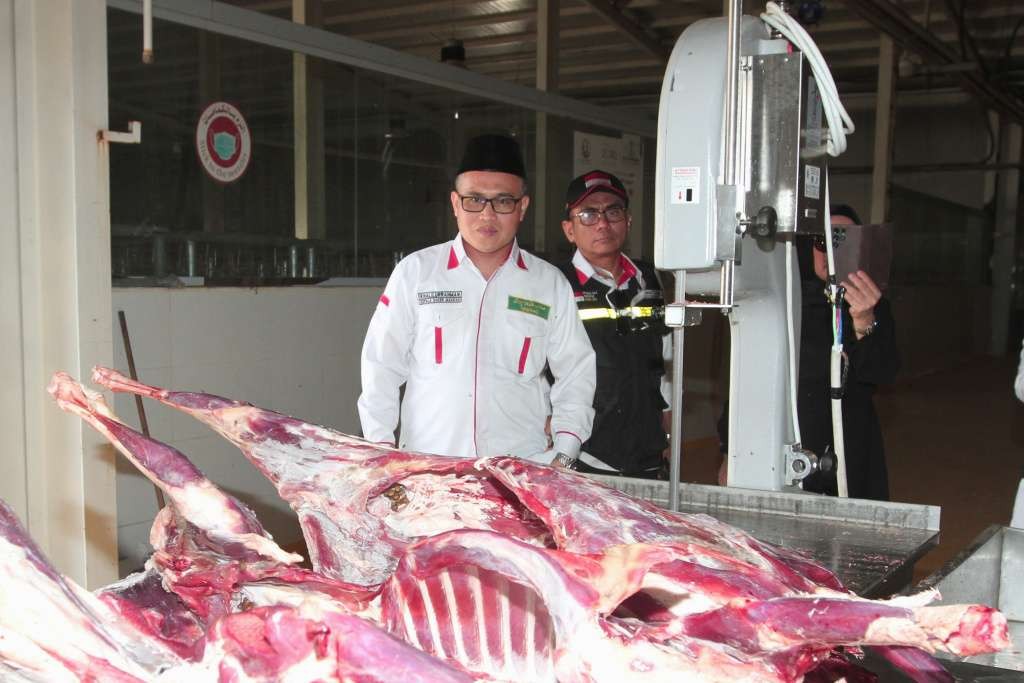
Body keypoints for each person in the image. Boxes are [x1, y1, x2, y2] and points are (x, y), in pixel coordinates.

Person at [358, 134, 596, 468]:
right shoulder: (416, 273)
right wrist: (381, 449)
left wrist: (565, 450)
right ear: (455, 203)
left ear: (522, 207)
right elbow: (380, 366)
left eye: (502, 201)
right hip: (430, 467)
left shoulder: (547, 284)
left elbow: (576, 371)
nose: (487, 215)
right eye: (474, 200)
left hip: (522, 470)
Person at [556, 170, 671, 478]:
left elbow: (665, 357)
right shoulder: (556, 285)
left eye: (613, 211)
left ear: (628, 221)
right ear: (569, 229)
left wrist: (668, 421)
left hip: (647, 454)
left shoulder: (649, 279)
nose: (603, 224)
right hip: (585, 458)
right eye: (588, 214)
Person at [797, 204, 900, 500]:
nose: (832, 250)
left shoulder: (873, 303)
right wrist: (729, 451)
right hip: (792, 441)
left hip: (850, 449)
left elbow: (882, 372)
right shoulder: (785, 301)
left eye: (843, 239)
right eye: (823, 241)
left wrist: (865, 320)